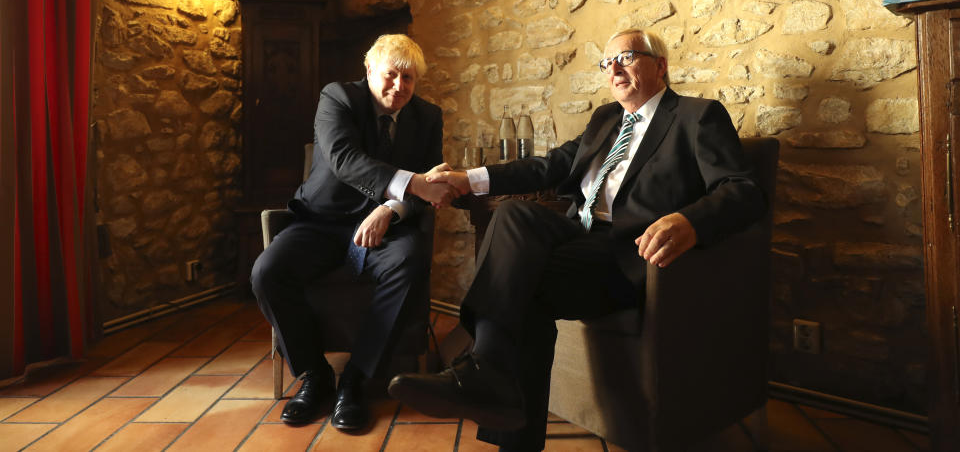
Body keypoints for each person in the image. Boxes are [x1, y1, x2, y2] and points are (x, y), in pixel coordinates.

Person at [388, 28, 767, 451]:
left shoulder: (697, 117)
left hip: (626, 253)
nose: (614, 69)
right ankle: (488, 372)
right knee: (513, 214)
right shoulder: (605, 119)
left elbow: (743, 190)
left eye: (626, 57)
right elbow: (548, 166)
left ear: (660, 66)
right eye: (607, 63)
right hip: (575, 235)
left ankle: (491, 387)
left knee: (523, 288)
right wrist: (467, 179)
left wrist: (690, 221)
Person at [251, 34, 457, 430]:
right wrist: (412, 183)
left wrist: (389, 208)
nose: (400, 87)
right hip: (321, 221)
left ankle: (357, 380)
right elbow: (345, 160)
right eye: (391, 75)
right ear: (369, 70)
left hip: (388, 227)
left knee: (411, 260)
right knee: (266, 272)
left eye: (409, 78)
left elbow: (429, 187)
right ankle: (314, 376)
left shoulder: (427, 117)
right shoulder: (338, 98)